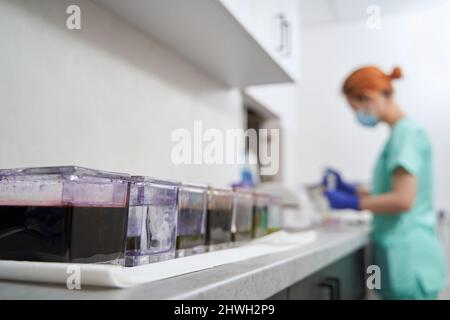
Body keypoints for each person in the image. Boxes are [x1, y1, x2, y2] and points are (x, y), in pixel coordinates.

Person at [323, 66, 446, 300]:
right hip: (398, 255)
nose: (357, 116)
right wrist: (350, 188)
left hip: (410, 258)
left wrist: (354, 202)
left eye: (355, 108)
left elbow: (403, 199)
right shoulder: (399, 134)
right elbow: (390, 189)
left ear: (368, 97)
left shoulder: (406, 134)